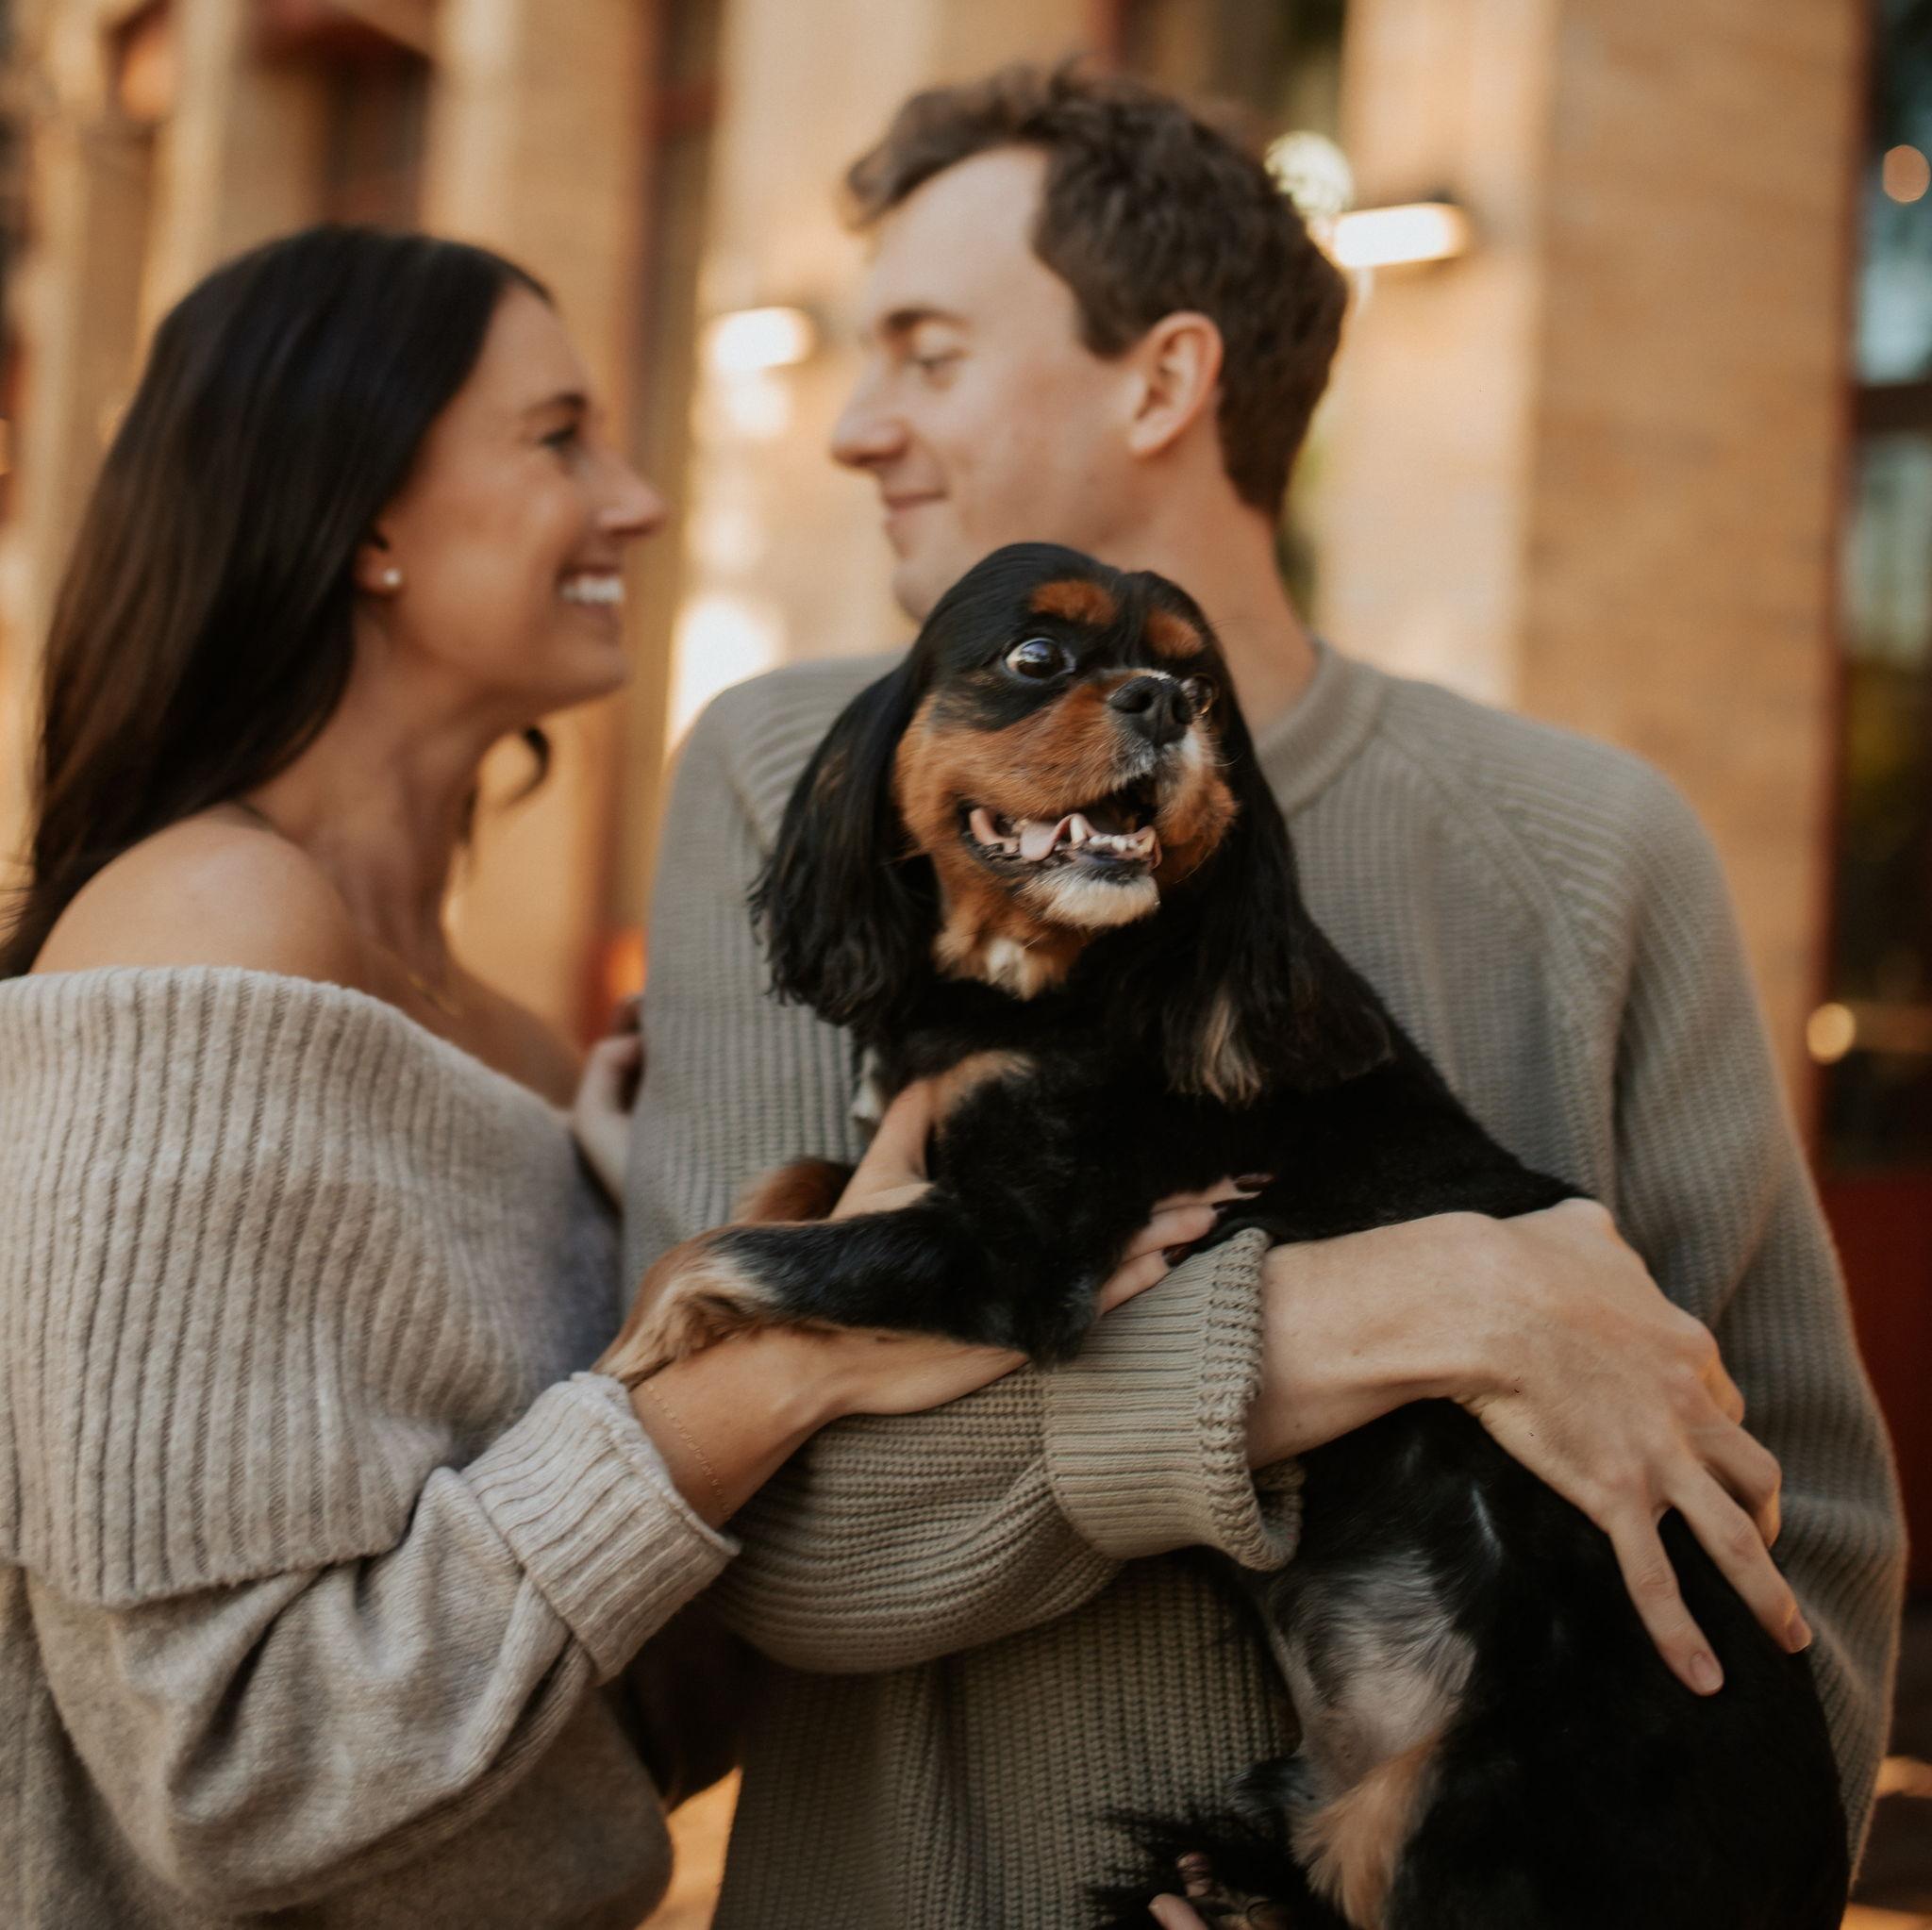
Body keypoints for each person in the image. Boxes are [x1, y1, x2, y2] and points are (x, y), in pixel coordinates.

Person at [622, 63, 1907, 1928]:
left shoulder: (1593, 848)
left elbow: (1809, 1533)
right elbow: (767, 1559)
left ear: (1163, 381)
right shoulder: (791, 772)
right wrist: (1391, 1311)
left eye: (923, 352)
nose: (854, 426)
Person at [0, 223, 1217, 1928]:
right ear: (362, 522)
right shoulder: (209, 924)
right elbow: (234, 1766)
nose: (634, 499)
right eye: (558, 435)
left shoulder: (523, 1050)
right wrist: (770, 1364)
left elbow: (581, 1721)